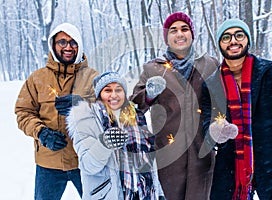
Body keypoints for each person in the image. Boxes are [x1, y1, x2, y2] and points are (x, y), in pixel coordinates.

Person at [201, 18, 272, 200]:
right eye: (226, 37)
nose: (233, 41)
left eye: (239, 35)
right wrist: (214, 131)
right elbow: (206, 122)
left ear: (248, 40)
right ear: (220, 44)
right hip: (229, 177)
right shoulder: (211, 84)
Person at [130, 12, 219, 200]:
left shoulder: (210, 64)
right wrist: (149, 95)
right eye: (173, 30)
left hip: (202, 153)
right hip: (169, 155)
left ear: (192, 35)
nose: (179, 34)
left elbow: (222, 101)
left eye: (184, 29)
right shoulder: (153, 68)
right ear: (166, 37)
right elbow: (135, 107)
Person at [15, 23, 98, 200]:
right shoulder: (37, 78)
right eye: (62, 42)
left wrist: (81, 104)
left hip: (85, 161)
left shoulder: (93, 77)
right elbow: (23, 112)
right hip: (48, 163)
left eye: (73, 42)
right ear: (53, 45)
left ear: (79, 45)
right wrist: (41, 132)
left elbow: (111, 110)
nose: (68, 47)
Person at [66, 71, 165, 200]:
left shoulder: (135, 117)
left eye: (118, 90)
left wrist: (158, 193)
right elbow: (88, 166)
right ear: (99, 94)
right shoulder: (87, 120)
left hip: (143, 194)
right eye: (107, 90)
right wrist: (104, 143)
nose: (114, 95)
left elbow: (149, 161)